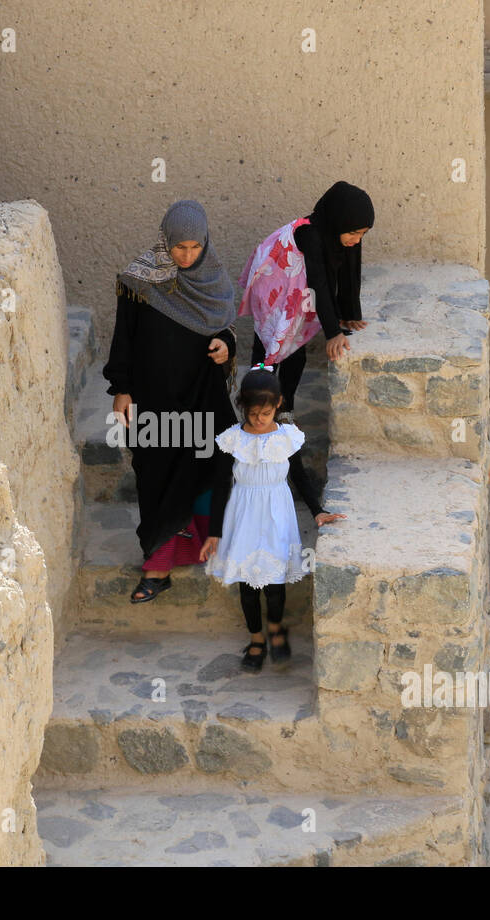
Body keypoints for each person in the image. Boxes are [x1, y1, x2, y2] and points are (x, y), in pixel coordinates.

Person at [104, 199, 239, 604]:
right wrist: (121, 390)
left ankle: (202, 546)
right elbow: (123, 337)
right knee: (156, 474)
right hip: (152, 398)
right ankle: (159, 566)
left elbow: (226, 327)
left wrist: (226, 345)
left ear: (205, 243)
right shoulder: (138, 281)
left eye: (194, 247)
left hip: (201, 393)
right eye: (179, 247)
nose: (187, 255)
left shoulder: (214, 278)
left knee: (206, 464)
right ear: (165, 242)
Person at [200, 367, 346, 671]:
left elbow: (300, 477)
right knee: (247, 584)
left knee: (275, 582)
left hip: (278, 514)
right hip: (242, 516)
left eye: (265, 413)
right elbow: (219, 488)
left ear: (278, 404)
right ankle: (256, 639)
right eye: (253, 413)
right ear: (243, 406)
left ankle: (276, 630)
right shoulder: (232, 441)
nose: (258, 419)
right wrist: (214, 533)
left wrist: (317, 510)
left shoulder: (286, 438)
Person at [243, 181, 374, 419]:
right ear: (338, 221)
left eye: (363, 233)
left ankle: (284, 409)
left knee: (295, 353)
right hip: (274, 296)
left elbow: (346, 272)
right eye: (354, 233)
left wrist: (349, 314)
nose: (357, 240)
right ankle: (255, 410)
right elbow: (319, 282)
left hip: (295, 294)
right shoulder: (311, 234)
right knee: (267, 352)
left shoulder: (338, 234)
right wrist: (333, 331)